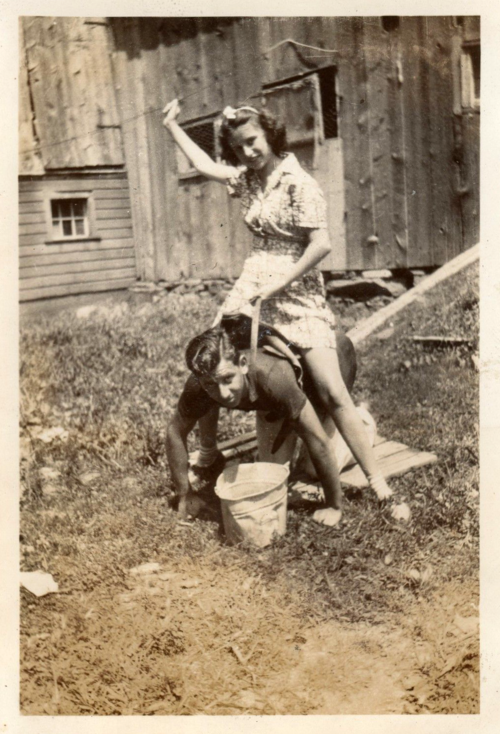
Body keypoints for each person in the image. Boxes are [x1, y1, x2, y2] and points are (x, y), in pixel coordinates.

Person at [163, 99, 394, 505]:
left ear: (270, 134)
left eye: (252, 141)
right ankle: (208, 452)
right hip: (252, 284)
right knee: (211, 361)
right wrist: (172, 126)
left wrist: (279, 283)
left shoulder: (299, 183)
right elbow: (205, 166)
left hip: (296, 287)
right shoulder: (249, 179)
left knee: (332, 388)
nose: (247, 152)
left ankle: (379, 483)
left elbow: (321, 244)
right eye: (238, 147)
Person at [167, 326, 358, 527]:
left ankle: (361, 423)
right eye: (211, 385)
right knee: (271, 474)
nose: (223, 393)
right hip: (275, 402)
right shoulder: (200, 384)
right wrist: (185, 494)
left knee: (313, 469)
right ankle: (290, 424)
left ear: (242, 364)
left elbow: (319, 442)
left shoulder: (271, 377)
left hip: (318, 387)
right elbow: (175, 431)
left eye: (227, 379)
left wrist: (333, 506)